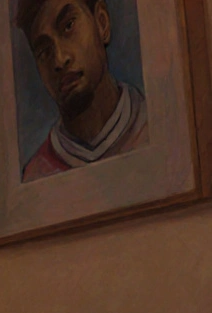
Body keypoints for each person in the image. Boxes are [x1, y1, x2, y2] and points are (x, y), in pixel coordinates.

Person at [16, 0, 148, 182]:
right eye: (44, 51)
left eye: (68, 26)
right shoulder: (36, 176)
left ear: (102, 23)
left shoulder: (154, 127)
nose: (60, 60)